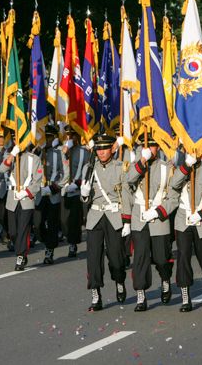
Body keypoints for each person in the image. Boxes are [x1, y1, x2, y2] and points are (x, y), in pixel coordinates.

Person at [164, 148, 202, 312]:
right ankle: (185, 295)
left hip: (201, 219)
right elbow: (174, 184)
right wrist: (187, 165)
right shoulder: (180, 169)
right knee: (183, 257)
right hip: (183, 219)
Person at [124, 139, 176, 311]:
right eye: (146, 146)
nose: (149, 148)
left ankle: (166, 279)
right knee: (140, 257)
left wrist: (158, 211)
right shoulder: (135, 165)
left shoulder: (167, 168)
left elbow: (173, 197)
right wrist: (142, 161)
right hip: (139, 217)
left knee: (161, 258)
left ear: (159, 146)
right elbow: (128, 180)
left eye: (152, 145)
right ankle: (141, 294)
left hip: (159, 214)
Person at [80, 134, 128, 311]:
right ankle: (95, 293)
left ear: (112, 149)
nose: (101, 152)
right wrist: (84, 194)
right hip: (95, 217)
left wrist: (127, 220)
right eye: (98, 149)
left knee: (116, 257)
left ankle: (119, 280)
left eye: (104, 148)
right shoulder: (89, 167)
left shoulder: (120, 167)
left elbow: (126, 195)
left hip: (114, 216)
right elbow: (85, 198)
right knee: (93, 257)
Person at [0, 137, 42, 271]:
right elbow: (1, 169)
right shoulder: (9, 156)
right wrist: (12, 154)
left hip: (26, 198)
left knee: (23, 229)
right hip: (12, 199)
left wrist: (26, 192)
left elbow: (37, 181)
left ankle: (21, 255)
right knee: (13, 232)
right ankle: (20, 249)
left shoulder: (34, 159)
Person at [37, 125, 68, 264]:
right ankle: (44, 239)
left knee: (52, 223)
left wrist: (55, 187)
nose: (47, 139)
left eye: (49, 136)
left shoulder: (59, 153)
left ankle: (49, 250)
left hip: (53, 192)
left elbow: (66, 174)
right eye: (45, 136)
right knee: (37, 223)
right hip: (38, 192)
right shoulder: (37, 153)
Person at [61, 126, 86, 258]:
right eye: (68, 135)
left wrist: (77, 184)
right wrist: (65, 149)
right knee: (64, 220)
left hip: (76, 191)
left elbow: (87, 170)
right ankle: (68, 236)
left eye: (73, 135)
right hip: (63, 190)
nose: (71, 138)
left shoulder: (83, 151)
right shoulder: (61, 150)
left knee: (74, 220)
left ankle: (73, 244)